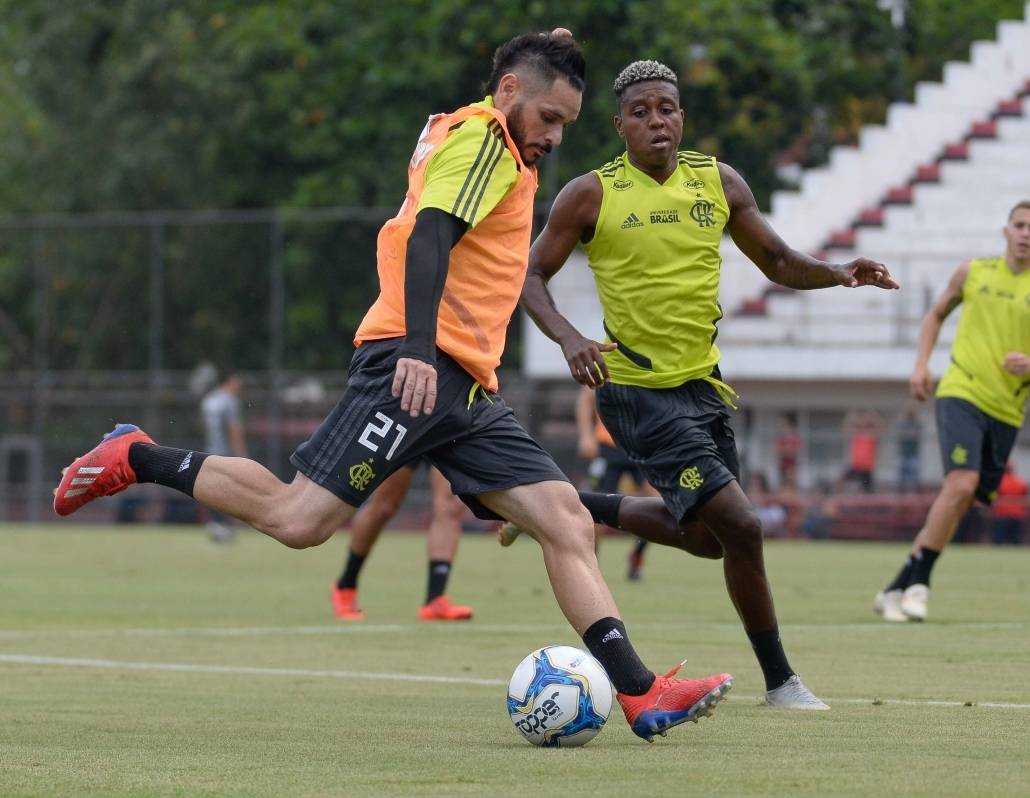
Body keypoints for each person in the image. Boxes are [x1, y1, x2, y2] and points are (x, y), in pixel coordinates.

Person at [53, 31, 732, 743]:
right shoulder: (486, 143)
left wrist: (552, 46)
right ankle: (137, 456)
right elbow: (429, 233)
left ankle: (640, 692)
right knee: (298, 521)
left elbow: (483, 160)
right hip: (419, 364)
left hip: (466, 383)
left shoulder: (494, 130)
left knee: (563, 519)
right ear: (507, 95)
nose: (556, 137)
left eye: (565, 122)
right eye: (550, 119)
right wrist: (413, 348)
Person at [517, 59, 898, 709]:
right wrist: (571, 338)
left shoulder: (717, 181)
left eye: (666, 107)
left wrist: (839, 272)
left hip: (704, 391)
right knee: (744, 528)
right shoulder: (591, 194)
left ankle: (563, 506)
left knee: (705, 539)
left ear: (681, 115)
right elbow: (529, 276)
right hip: (636, 392)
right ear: (619, 126)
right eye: (640, 112)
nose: (655, 121)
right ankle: (782, 682)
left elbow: (777, 261)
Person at [873, 199, 1030, 622]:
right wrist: (921, 365)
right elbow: (935, 316)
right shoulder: (973, 272)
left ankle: (896, 588)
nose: (1024, 233)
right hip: (961, 390)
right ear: (1006, 231)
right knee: (961, 484)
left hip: (1007, 410)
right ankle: (921, 585)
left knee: (962, 501)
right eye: (1018, 225)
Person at [329, 462, 474, 622]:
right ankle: (346, 586)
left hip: (439, 436)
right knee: (385, 505)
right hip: (407, 436)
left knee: (450, 506)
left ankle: (435, 600)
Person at [575, 386, 656, 580]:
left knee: (657, 503)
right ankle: (591, 565)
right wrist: (586, 436)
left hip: (640, 447)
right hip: (607, 448)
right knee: (595, 510)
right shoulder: (608, 361)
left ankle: (637, 554)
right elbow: (585, 399)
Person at [200, 369, 248, 542]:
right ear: (229, 381)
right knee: (229, 490)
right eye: (237, 380)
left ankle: (216, 524)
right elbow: (233, 428)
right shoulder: (229, 401)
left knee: (214, 489)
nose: (240, 384)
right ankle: (226, 525)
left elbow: (207, 427)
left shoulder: (209, 400)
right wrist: (241, 454)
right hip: (225, 453)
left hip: (210, 450)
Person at [842, 410, 881, 493]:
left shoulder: (871, 436)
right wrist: (853, 416)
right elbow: (846, 428)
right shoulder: (856, 435)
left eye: (865, 425)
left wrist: (873, 416)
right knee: (842, 481)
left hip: (867, 468)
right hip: (856, 466)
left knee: (868, 490)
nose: (863, 426)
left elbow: (880, 428)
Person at [990, 462, 1028, 545]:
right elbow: (1025, 495)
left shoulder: (998, 482)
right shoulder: (1020, 482)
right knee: (1016, 539)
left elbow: (992, 496)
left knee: (998, 540)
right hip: (1017, 514)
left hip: (1001, 514)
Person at [895, 409, 922, 493]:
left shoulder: (917, 424)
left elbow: (916, 435)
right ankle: (900, 493)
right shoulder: (902, 424)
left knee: (914, 476)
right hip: (903, 453)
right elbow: (901, 435)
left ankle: (914, 493)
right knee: (901, 476)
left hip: (913, 454)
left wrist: (909, 435)